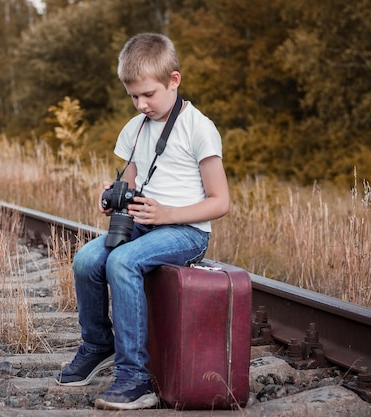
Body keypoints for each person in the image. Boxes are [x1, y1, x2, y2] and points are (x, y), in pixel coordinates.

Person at [54, 32, 230, 410]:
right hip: (143, 225)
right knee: (86, 260)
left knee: (122, 261)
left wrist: (167, 214)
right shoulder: (135, 128)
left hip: (185, 231)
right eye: (133, 96)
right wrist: (111, 195)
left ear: (174, 80)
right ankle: (98, 344)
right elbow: (130, 182)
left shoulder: (199, 128)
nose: (141, 104)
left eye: (149, 94)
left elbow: (220, 202)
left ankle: (135, 379)